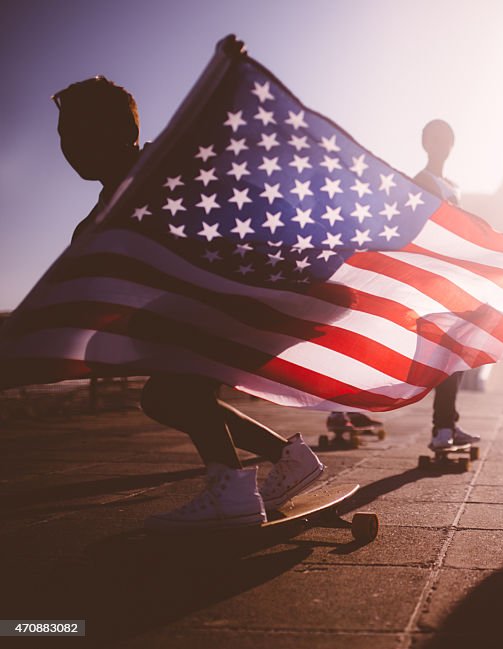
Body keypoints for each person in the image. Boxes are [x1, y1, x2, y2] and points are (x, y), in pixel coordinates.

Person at [54, 76, 324, 529]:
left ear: (123, 132)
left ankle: (232, 490)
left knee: (177, 386)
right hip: (210, 313)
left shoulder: (163, 170)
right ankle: (287, 459)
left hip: (242, 301)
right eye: (63, 135)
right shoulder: (101, 214)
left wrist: (228, 80)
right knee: (163, 397)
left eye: (80, 131)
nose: (69, 146)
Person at [412, 119, 481, 451]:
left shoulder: (452, 184)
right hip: (434, 278)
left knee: (458, 351)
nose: (442, 145)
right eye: (435, 139)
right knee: (446, 351)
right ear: (425, 143)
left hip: (455, 277)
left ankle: (447, 424)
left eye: (447, 140)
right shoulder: (420, 182)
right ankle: (442, 428)